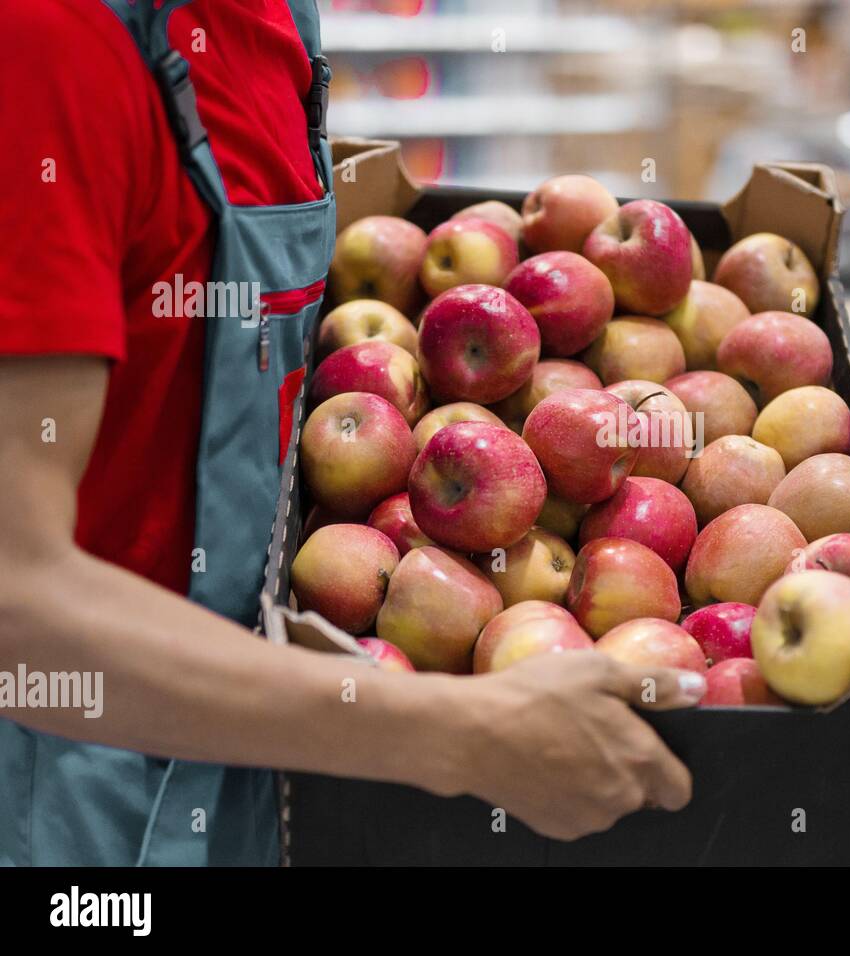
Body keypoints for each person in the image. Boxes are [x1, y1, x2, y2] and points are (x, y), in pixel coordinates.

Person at [0, 0, 698, 867]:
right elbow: (13, 607)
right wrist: (453, 733)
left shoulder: (280, 17)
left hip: (282, 745)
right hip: (88, 796)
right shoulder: (47, 47)